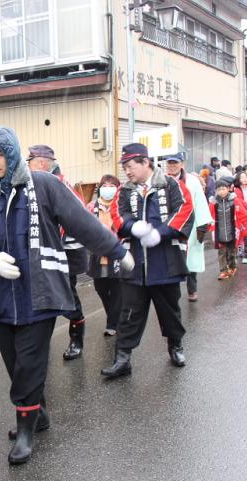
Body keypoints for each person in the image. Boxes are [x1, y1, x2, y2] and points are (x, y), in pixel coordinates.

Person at [0, 126, 130, 465]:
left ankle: (25, 429)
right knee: (13, 363)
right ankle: (38, 414)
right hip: (2, 294)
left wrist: (114, 249)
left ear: (11, 154)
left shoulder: (44, 185)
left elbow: (82, 221)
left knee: (30, 364)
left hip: (41, 292)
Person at [103, 143, 194, 379]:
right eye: (124, 167)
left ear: (145, 163)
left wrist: (160, 233)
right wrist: (134, 226)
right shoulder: (124, 191)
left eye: (130, 166)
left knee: (170, 310)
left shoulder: (172, 185)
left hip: (165, 260)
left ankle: (175, 347)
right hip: (135, 263)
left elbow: (185, 209)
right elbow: (117, 214)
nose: (127, 171)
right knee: (129, 312)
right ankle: (122, 358)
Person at [26, 144, 89, 361]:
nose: (27, 166)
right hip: (43, 252)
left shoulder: (61, 184)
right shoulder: (32, 184)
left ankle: (76, 339)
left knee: (67, 297)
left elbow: (71, 217)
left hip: (65, 253)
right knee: (42, 296)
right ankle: (41, 343)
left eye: (30, 162)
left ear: (42, 163)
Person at [164, 153, 210, 302]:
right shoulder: (162, 180)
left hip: (190, 224)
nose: (172, 165)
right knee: (171, 258)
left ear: (182, 164)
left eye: (175, 162)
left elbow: (200, 202)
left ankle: (192, 289)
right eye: (169, 162)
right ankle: (172, 291)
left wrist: (202, 226)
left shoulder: (192, 181)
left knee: (191, 258)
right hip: (169, 224)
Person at [86, 174, 126, 334]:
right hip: (98, 254)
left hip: (117, 253)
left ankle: (112, 324)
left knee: (117, 290)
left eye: (111, 186)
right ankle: (115, 317)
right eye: (104, 185)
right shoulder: (91, 207)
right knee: (101, 288)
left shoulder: (122, 206)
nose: (107, 189)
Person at [210, 178, 247, 280]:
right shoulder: (213, 203)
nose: (221, 191)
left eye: (223, 189)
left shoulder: (235, 200)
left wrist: (244, 226)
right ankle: (223, 271)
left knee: (232, 251)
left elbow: (243, 214)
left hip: (233, 230)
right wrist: (209, 227)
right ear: (216, 191)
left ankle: (232, 266)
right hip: (219, 231)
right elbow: (209, 216)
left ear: (228, 189)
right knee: (222, 252)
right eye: (219, 189)